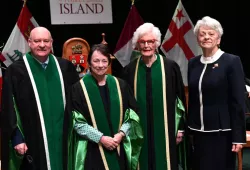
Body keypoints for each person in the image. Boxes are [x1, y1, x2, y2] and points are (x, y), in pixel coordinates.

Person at [1, 27, 79, 170]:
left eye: (46, 41)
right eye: (37, 41)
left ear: (51, 43)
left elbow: (78, 104)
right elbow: (9, 108)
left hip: (64, 139)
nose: (42, 45)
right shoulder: (16, 71)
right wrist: (17, 139)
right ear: (29, 43)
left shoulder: (65, 68)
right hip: (32, 140)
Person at [63, 44, 143, 170]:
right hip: (93, 149)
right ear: (89, 63)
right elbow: (76, 122)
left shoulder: (120, 85)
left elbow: (132, 114)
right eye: (96, 61)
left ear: (109, 62)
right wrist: (100, 138)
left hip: (118, 146)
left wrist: (121, 134)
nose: (100, 65)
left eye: (104, 61)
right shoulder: (78, 89)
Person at [122, 23, 189, 170]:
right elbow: (126, 104)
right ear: (137, 45)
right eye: (142, 42)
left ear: (156, 43)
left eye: (150, 42)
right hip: (139, 129)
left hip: (167, 129)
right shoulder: (130, 70)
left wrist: (181, 129)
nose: (146, 45)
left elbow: (180, 100)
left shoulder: (170, 67)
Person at [187, 16, 246, 170]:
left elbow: (238, 101)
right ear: (198, 39)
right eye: (202, 34)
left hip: (222, 133)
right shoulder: (193, 63)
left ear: (218, 39)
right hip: (198, 132)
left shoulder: (231, 61)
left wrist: (238, 137)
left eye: (211, 34)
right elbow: (193, 99)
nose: (206, 37)